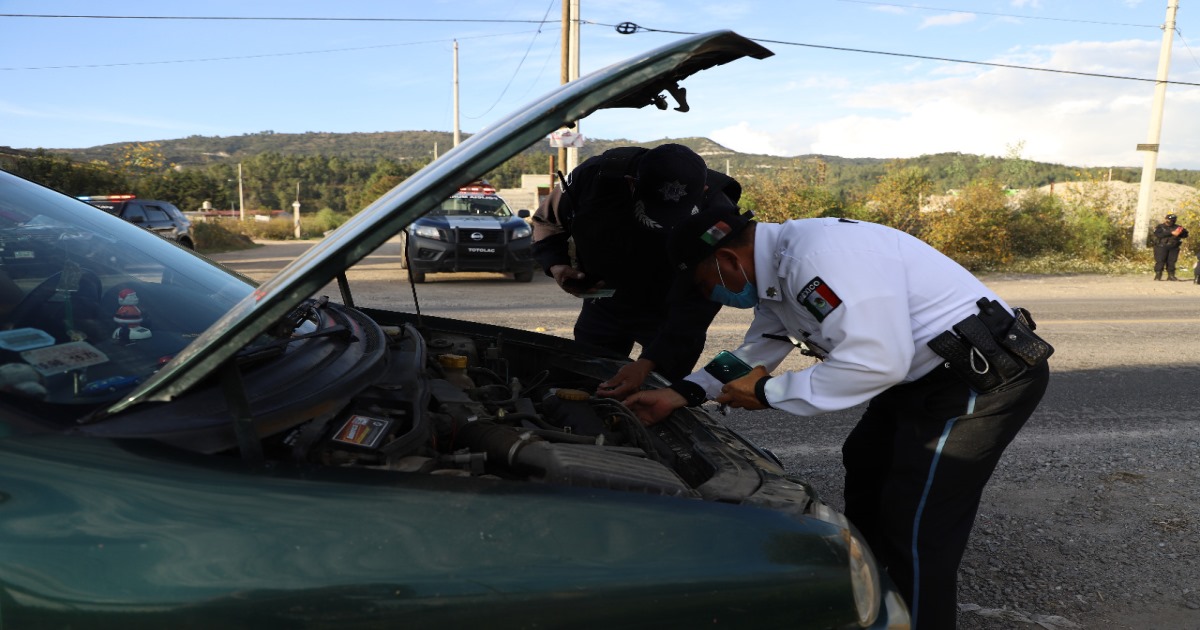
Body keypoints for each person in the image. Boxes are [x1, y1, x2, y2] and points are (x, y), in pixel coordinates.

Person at [624, 198, 1052, 629]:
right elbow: (761, 346)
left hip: (979, 379)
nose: (710, 296)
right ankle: (871, 593)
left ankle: (915, 613)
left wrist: (768, 392)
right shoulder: (775, 271)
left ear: (727, 260)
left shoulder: (816, 259)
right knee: (865, 459)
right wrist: (682, 393)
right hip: (922, 376)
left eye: (704, 285)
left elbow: (876, 362)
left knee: (916, 522)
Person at [531, 143, 741, 399]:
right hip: (605, 302)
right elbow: (547, 221)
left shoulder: (719, 214)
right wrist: (557, 265)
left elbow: (704, 299)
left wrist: (651, 362)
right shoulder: (594, 179)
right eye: (655, 209)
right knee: (584, 387)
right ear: (631, 183)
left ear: (703, 190)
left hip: (671, 312)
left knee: (660, 396)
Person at [1152, 213, 1189, 281]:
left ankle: (1171, 275)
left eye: (1172, 220)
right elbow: (1158, 234)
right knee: (1160, 261)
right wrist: (1171, 233)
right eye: (1169, 220)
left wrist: (1181, 232)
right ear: (1166, 219)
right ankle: (1158, 275)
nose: (1170, 221)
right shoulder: (1160, 227)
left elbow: (1185, 235)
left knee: (1171, 261)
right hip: (1161, 246)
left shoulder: (1177, 227)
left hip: (1173, 247)